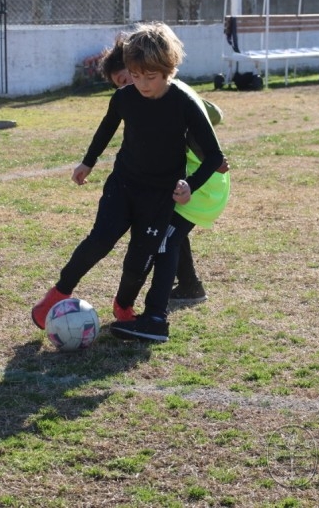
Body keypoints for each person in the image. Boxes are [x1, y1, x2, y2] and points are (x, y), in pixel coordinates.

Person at [30, 22, 225, 342]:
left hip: (160, 196)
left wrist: (191, 184)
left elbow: (214, 156)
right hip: (123, 185)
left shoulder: (183, 103)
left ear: (169, 70)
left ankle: (123, 307)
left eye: (151, 77)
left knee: (139, 257)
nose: (142, 84)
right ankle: (56, 295)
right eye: (135, 75)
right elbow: (106, 128)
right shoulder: (124, 97)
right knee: (100, 239)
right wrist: (88, 162)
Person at [98, 37, 230, 321]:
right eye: (122, 83)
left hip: (201, 184)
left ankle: (155, 313)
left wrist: (207, 156)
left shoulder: (173, 99)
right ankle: (190, 287)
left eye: (127, 80)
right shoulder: (148, 98)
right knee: (167, 229)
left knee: (163, 238)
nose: (130, 89)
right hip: (183, 183)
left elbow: (212, 119)